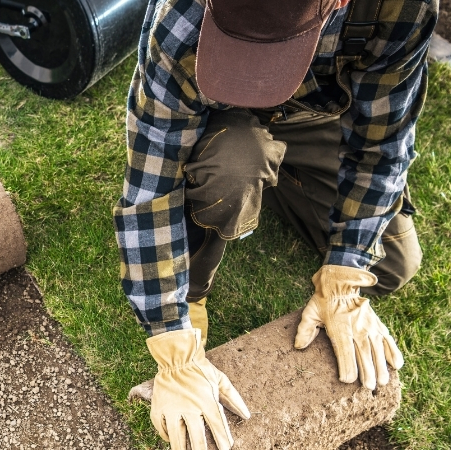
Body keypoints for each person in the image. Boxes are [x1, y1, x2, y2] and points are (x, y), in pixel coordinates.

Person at [113, 0, 437, 447]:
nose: (256, 71)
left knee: (392, 263)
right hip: (224, 121)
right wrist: (173, 344)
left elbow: (382, 145)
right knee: (234, 165)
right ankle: (232, 201)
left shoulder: (398, 7)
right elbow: (151, 189)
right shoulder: (180, 21)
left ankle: (279, 171)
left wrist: (344, 272)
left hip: (317, 117)